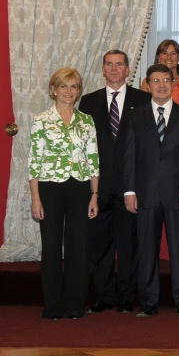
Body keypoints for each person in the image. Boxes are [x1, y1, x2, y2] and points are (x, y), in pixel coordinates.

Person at [123, 63, 179, 318]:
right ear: (147, 85)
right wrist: (129, 191)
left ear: (173, 84)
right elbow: (130, 156)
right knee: (146, 251)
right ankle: (148, 303)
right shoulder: (135, 116)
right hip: (145, 193)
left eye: (166, 80)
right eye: (156, 81)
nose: (162, 85)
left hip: (178, 195)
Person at [79, 50, 151, 314]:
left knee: (129, 243)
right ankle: (103, 295)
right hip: (99, 186)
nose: (113, 69)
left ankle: (126, 296)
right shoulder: (88, 102)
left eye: (119, 64)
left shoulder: (143, 99)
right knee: (100, 244)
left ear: (128, 70)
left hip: (131, 185)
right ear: (102, 69)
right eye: (109, 64)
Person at [29, 68, 100, 320]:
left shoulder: (86, 120)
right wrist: (35, 198)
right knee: (50, 247)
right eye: (64, 86)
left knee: (78, 247)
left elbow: (93, 159)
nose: (69, 92)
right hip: (50, 187)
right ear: (53, 89)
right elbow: (34, 161)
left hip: (80, 187)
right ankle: (53, 305)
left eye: (74, 87)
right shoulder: (41, 119)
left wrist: (94, 194)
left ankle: (75, 305)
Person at [139, 39, 179, 112]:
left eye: (173, 53)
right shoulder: (147, 81)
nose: (168, 57)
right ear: (158, 58)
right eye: (164, 53)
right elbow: (143, 112)